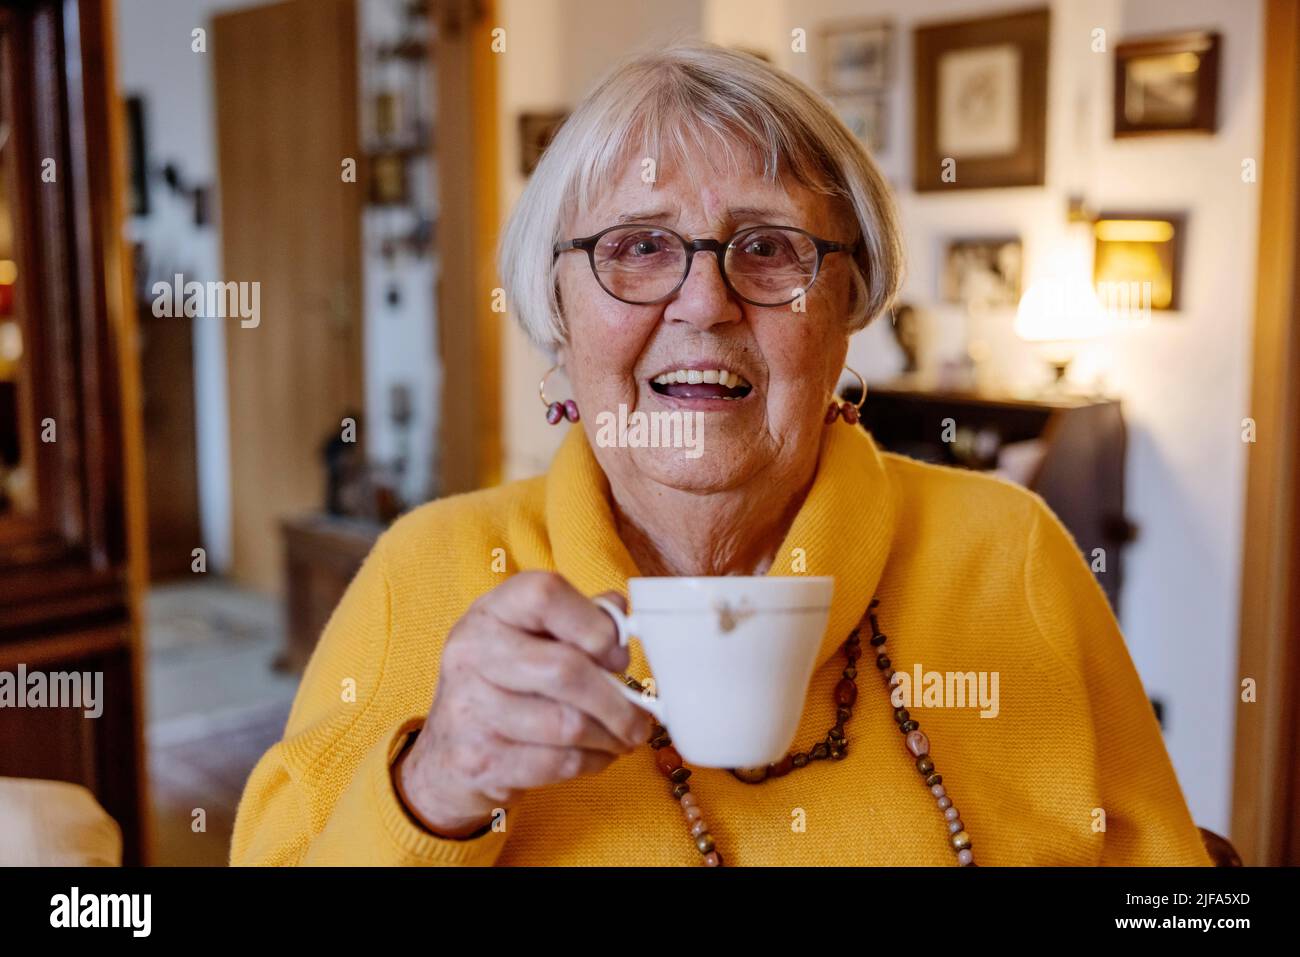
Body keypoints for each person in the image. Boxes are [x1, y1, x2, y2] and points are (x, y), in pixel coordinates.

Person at [231, 43, 1211, 866]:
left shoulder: (1008, 552)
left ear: (845, 309)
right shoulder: (428, 571)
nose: (703, 303)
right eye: (639, 247)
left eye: (771, 247)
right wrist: (436, 783)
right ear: (558, 310)